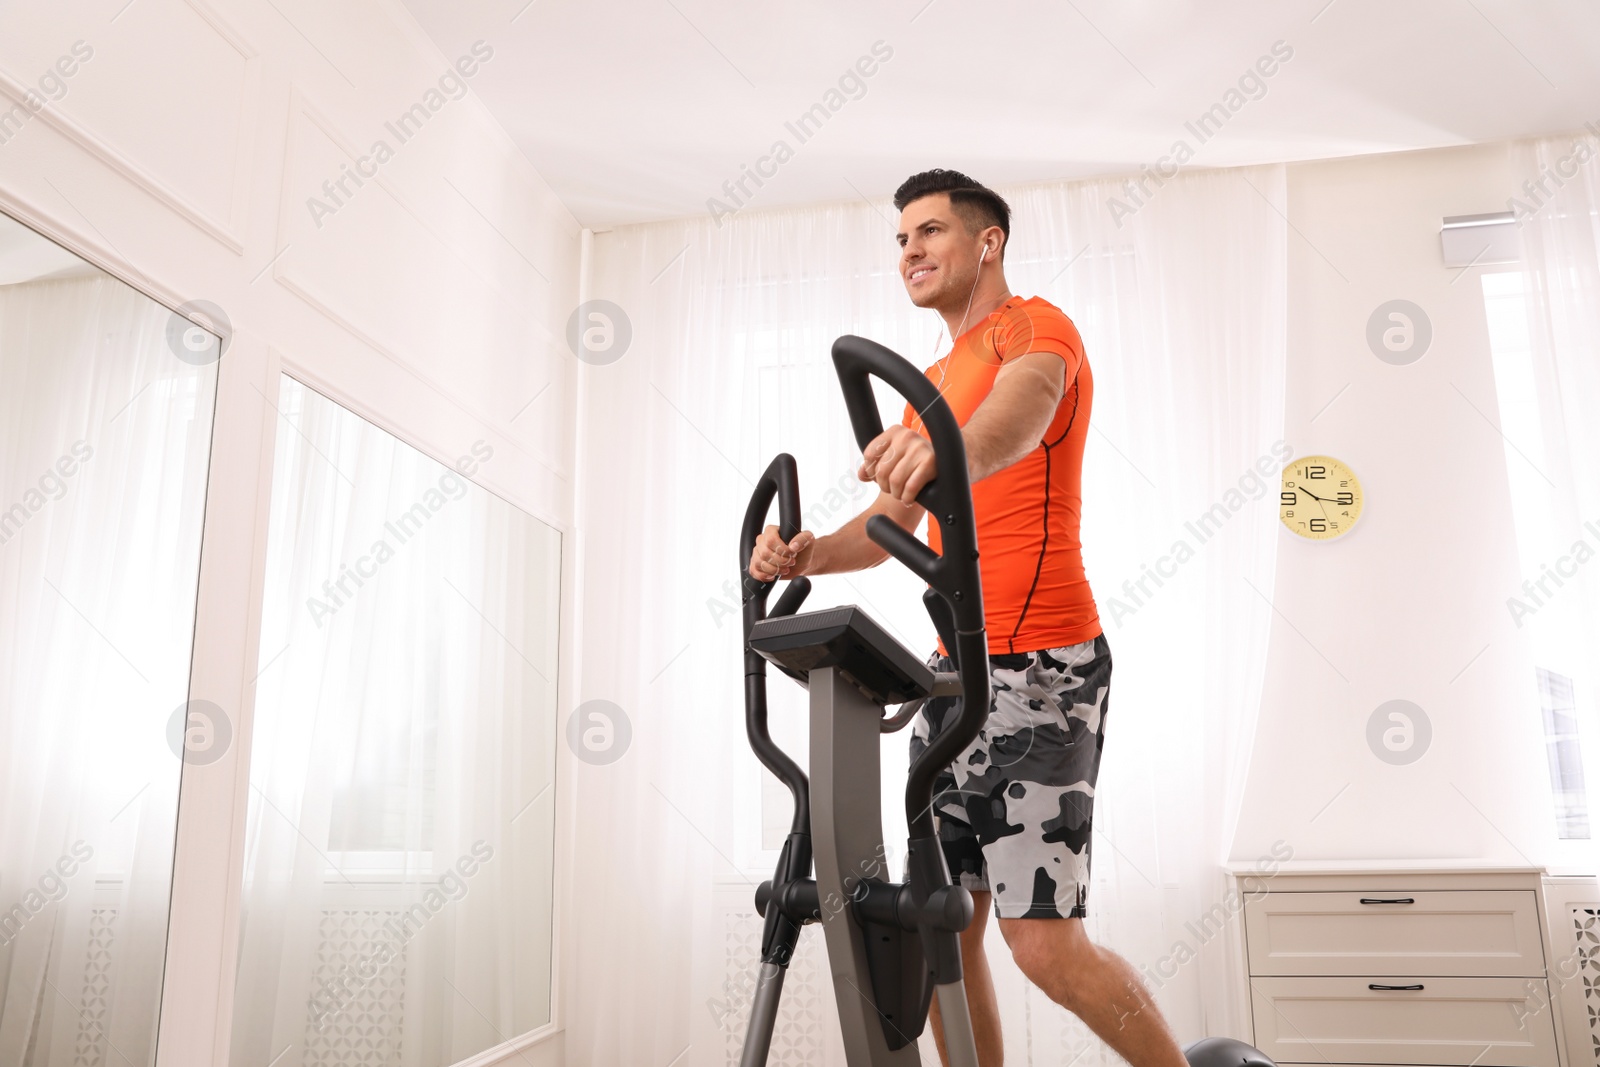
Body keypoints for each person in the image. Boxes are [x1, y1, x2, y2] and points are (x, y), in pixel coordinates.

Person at [746, 170, 1188, 1067]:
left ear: (987, 242)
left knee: (1045, 948)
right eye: (901, 237)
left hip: (1044, 665)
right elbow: (885, 533)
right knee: (942, 929)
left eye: (931, 231)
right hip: (955, 676)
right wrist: (802, 553)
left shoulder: (1036, 328)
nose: (910, 250)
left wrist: (946, 448)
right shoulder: (931, 382)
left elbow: (1017, 423)